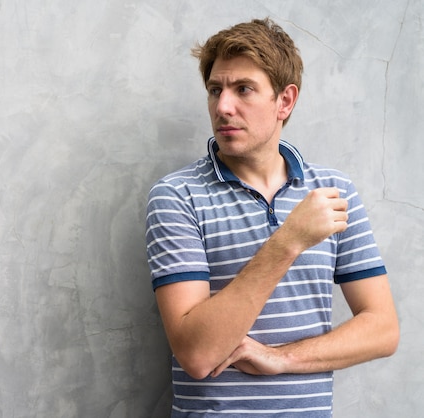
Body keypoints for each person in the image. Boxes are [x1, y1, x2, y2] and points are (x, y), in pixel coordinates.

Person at [145, 18, 399, 417]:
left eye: (243, 89)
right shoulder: (177, 196)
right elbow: (197, 354)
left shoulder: (333, 191)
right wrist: (289, 240)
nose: (223, 106)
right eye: (215, 90)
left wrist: (282, 358)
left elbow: (383, 330)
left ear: (285, 101)